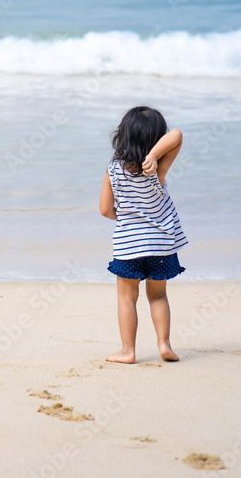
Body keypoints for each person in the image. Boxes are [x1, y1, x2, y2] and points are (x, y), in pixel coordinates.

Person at [98, 105, 187, 364]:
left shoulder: (113, 170)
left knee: (127, 298)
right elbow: (178, 135)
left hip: (129, 247)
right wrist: (156, 155)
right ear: (157, 138)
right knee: (158, 295)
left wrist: (125, 216)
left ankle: (128, 351)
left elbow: (105, 210)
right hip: (161, 246)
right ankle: (164, 344)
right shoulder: (157, 170)